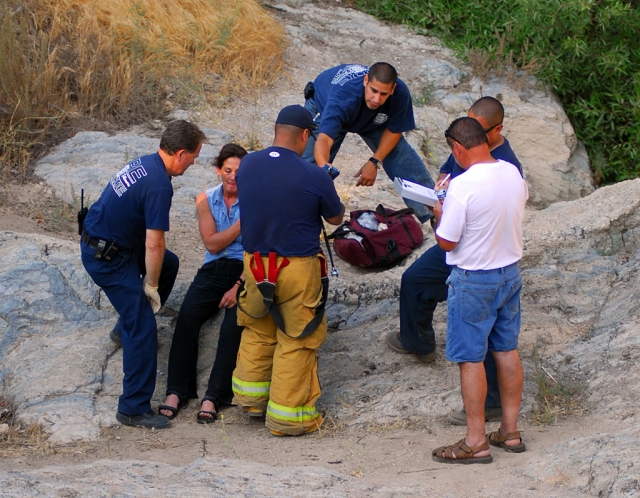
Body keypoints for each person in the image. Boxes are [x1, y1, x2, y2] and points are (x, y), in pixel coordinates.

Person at [385, 97, 523, 425]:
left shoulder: (502, 166)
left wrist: (440, 212)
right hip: (498, 262)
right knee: (415, 280)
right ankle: (417, 342)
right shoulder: (493, 162)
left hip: (471, 258)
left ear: (495, 131)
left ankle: (482, 418)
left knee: (475, 347)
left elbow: (447, 237)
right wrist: (443, 187)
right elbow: (449, 173)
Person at [80, 120, 206, 430]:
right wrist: (149, 285)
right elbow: (154, 243)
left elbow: (158, 251)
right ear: (180, 154)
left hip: (108, 242)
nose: (194, 162)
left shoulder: (146, 163)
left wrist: (154, 276)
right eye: (194, 156)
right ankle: (133, 408)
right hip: (108, 258)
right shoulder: (159, 185)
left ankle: (124, 328)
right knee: (144, 328)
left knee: (170, 264)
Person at [232, 104, 345, 436]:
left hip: (255, 264)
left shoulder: (248, 164)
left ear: (275, 130)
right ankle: (287, 418)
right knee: (297, 339)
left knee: (258, 330)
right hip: (296, 268)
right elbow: (335, 218)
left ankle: (251, 401)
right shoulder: (313, 174)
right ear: (306, 136)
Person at [430, 117, 528, 464]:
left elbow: (447, 240)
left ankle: (475, 440)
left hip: (474, 279)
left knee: (470, 358)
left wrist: (439, 211)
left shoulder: (462, 185)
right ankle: (510, 431)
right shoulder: (512, 173)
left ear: (457, 148)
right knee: (506, 350)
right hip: (509, 273)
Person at [158, 144, 248, 424]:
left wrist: (237, 286)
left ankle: (214, 395)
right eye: (228, 170)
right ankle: (177, 391)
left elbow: (258, 250)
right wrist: (246, 223)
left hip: (245, 270)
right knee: (186, 317)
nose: (233, 177)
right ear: (219, 170)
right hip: (212, 268)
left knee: (232, 325)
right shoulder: (205, 199)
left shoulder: (257, 199)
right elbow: (211, 242)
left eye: (239, 172)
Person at [302, 62, 435, 222]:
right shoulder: (344, 97)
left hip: (372, 119)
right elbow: (324, 139)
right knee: (306, 170)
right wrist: (324, 165)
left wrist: (374, 161)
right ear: (366, 80)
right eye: (374, 91)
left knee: (401, 155)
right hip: (323, 107)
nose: (377, 99)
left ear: (392, 90)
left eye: (384, 94)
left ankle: (436, 214)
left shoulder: (400, 93)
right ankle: (297, 223)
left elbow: (394, 130)